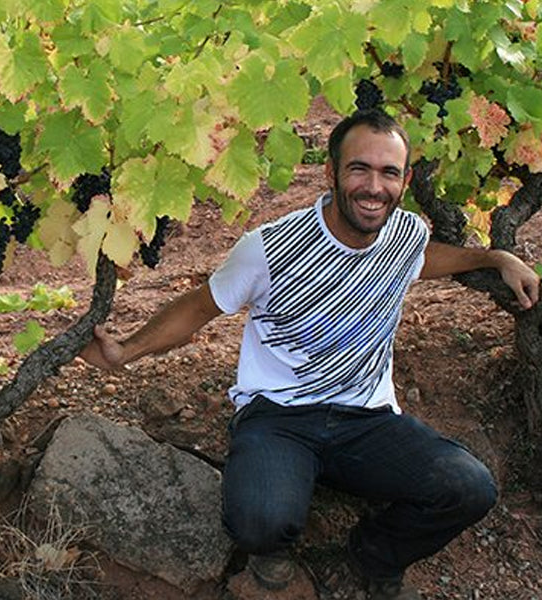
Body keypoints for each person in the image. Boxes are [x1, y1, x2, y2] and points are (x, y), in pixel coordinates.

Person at [80, 109, 540, 600]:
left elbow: (424, 258)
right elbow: (198, 307)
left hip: (368, 420)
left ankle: (369, 560)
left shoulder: (405, 234)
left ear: (405, 181)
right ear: (331, 172)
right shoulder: (270, 247)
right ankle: (274, 554)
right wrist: (125, 352)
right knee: (260, 521)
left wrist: (496, 257)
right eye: (359, 168)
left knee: (469, 488)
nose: (374, 187)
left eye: (388, 173)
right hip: (278, 417)